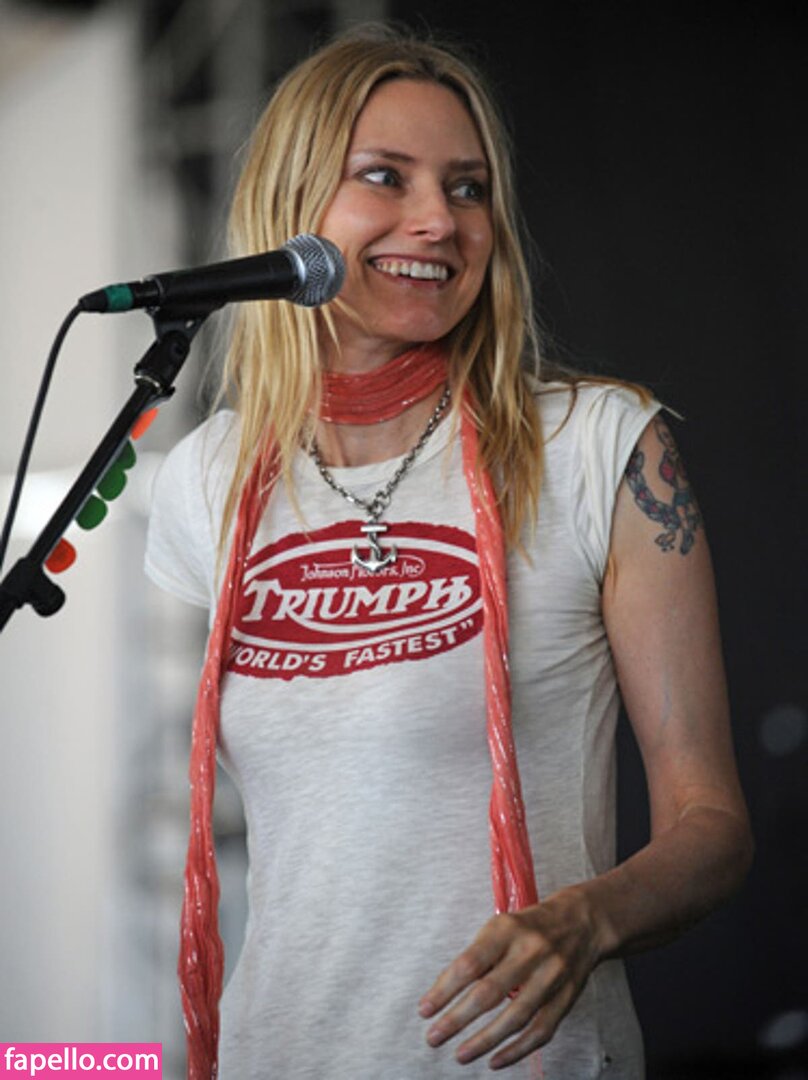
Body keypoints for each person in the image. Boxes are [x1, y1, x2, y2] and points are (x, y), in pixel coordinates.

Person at [144, 20, 753, 1080]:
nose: (439, 219)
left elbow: (712, 826)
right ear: (292, 207)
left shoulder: (598, 446)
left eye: (468, 188)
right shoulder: (211, 477)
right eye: (385, 176)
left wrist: (584, 920)